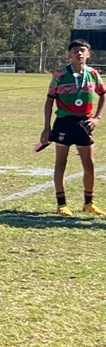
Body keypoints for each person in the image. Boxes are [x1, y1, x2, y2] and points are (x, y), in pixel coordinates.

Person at [40, 38, 105, 216]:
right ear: (69, 54)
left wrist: (97, 118)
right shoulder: (60, 74)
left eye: (83, 50)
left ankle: (88, 203)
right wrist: (46, 127)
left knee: (89, 164)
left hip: (84, 123)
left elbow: (103, 94)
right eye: (75, 50)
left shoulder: (93, 73)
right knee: (61, 162)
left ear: (88, 54)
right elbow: (49, 100)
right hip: (64, 122)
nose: (79, 53)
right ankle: (61, 204)